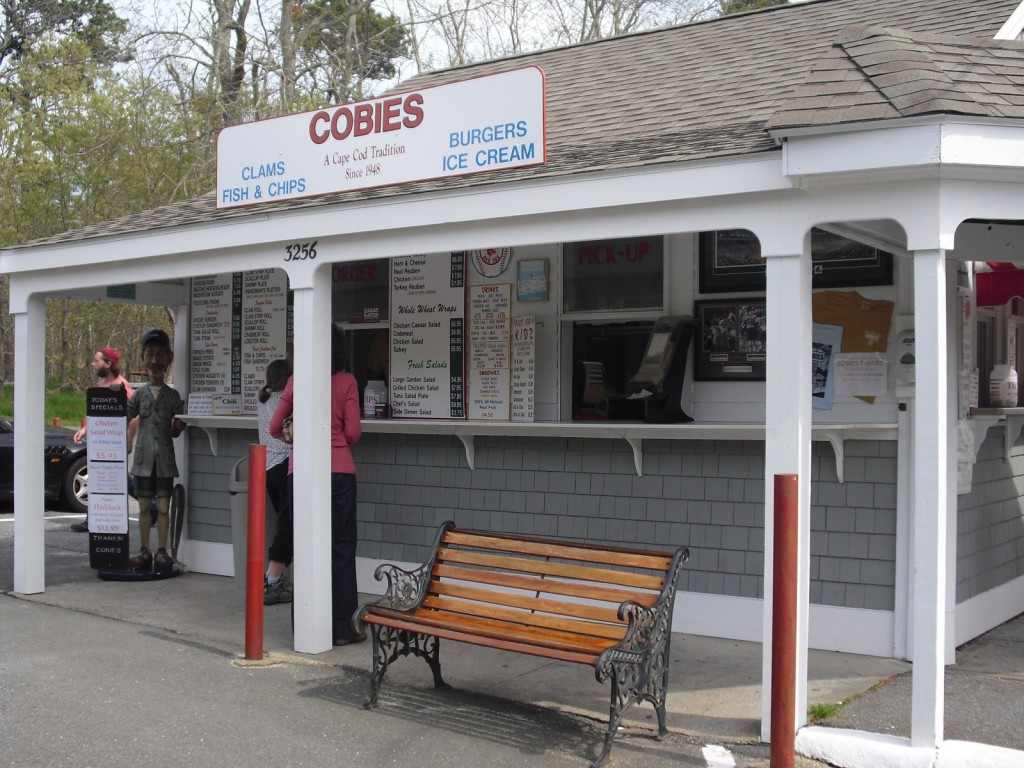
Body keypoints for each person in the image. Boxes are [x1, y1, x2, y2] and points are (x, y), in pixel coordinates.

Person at [270, 327, 364, 645]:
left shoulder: (297, 382)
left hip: (303, 473)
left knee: (306, 547)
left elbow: (273, 426)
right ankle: (343, 628)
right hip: (339, 473)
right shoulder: (347, 381)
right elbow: (352, 433)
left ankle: (306, 625)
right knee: (341, 549)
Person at [126, 328, 185, 574]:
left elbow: (176, 429)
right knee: (142, 507)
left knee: (163, 507)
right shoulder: (138, 395)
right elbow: (124, 415)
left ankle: (162, 550)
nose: (155, 360)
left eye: (160, 354)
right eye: (150, 354)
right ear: (143, 358)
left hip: (164, 460)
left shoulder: (173, 396)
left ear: (168, 358)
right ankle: (143, 548)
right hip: (142, 460)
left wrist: (178, 426)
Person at [70, 347, 133, 532]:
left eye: (96, 360)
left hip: (115, 443)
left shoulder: (122, 386)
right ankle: (91, 521)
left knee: (117, 479)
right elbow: (97, 414)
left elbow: (135, 416)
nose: (93, 363)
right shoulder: (101, 385)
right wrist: (84, 429)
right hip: (99, 443)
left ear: (108, 364)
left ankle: (151, 505)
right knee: (97, 477)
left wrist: (129, 439)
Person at [257, 358, 294, 604]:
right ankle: (272, 580)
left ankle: (274, 577)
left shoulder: (262, 399)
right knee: (287, 525)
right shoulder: (286, 401)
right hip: (284, 466)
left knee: (286, 524)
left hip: (266, 467)